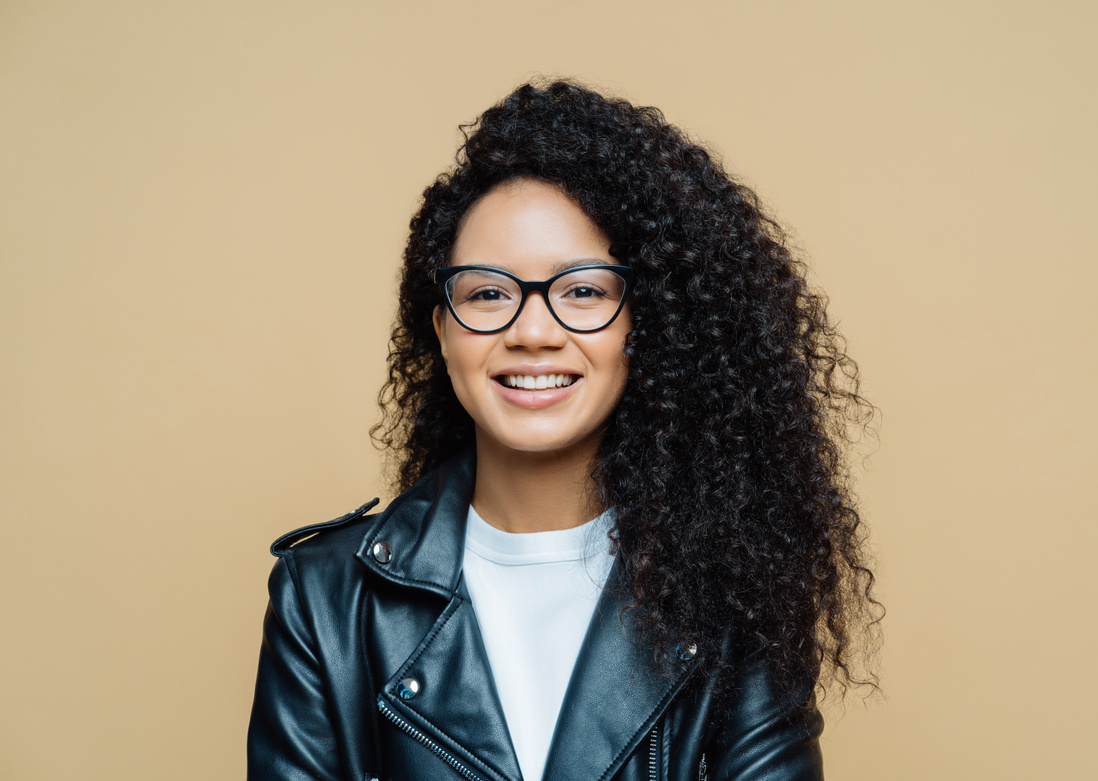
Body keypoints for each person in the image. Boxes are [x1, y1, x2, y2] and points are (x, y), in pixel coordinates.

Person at [248, 79, 880, 781]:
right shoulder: (325, 597)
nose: (533, 332)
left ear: (647, 328)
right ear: (443, 331)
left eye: (583, 291)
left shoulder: (733, 598)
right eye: (488, 293)